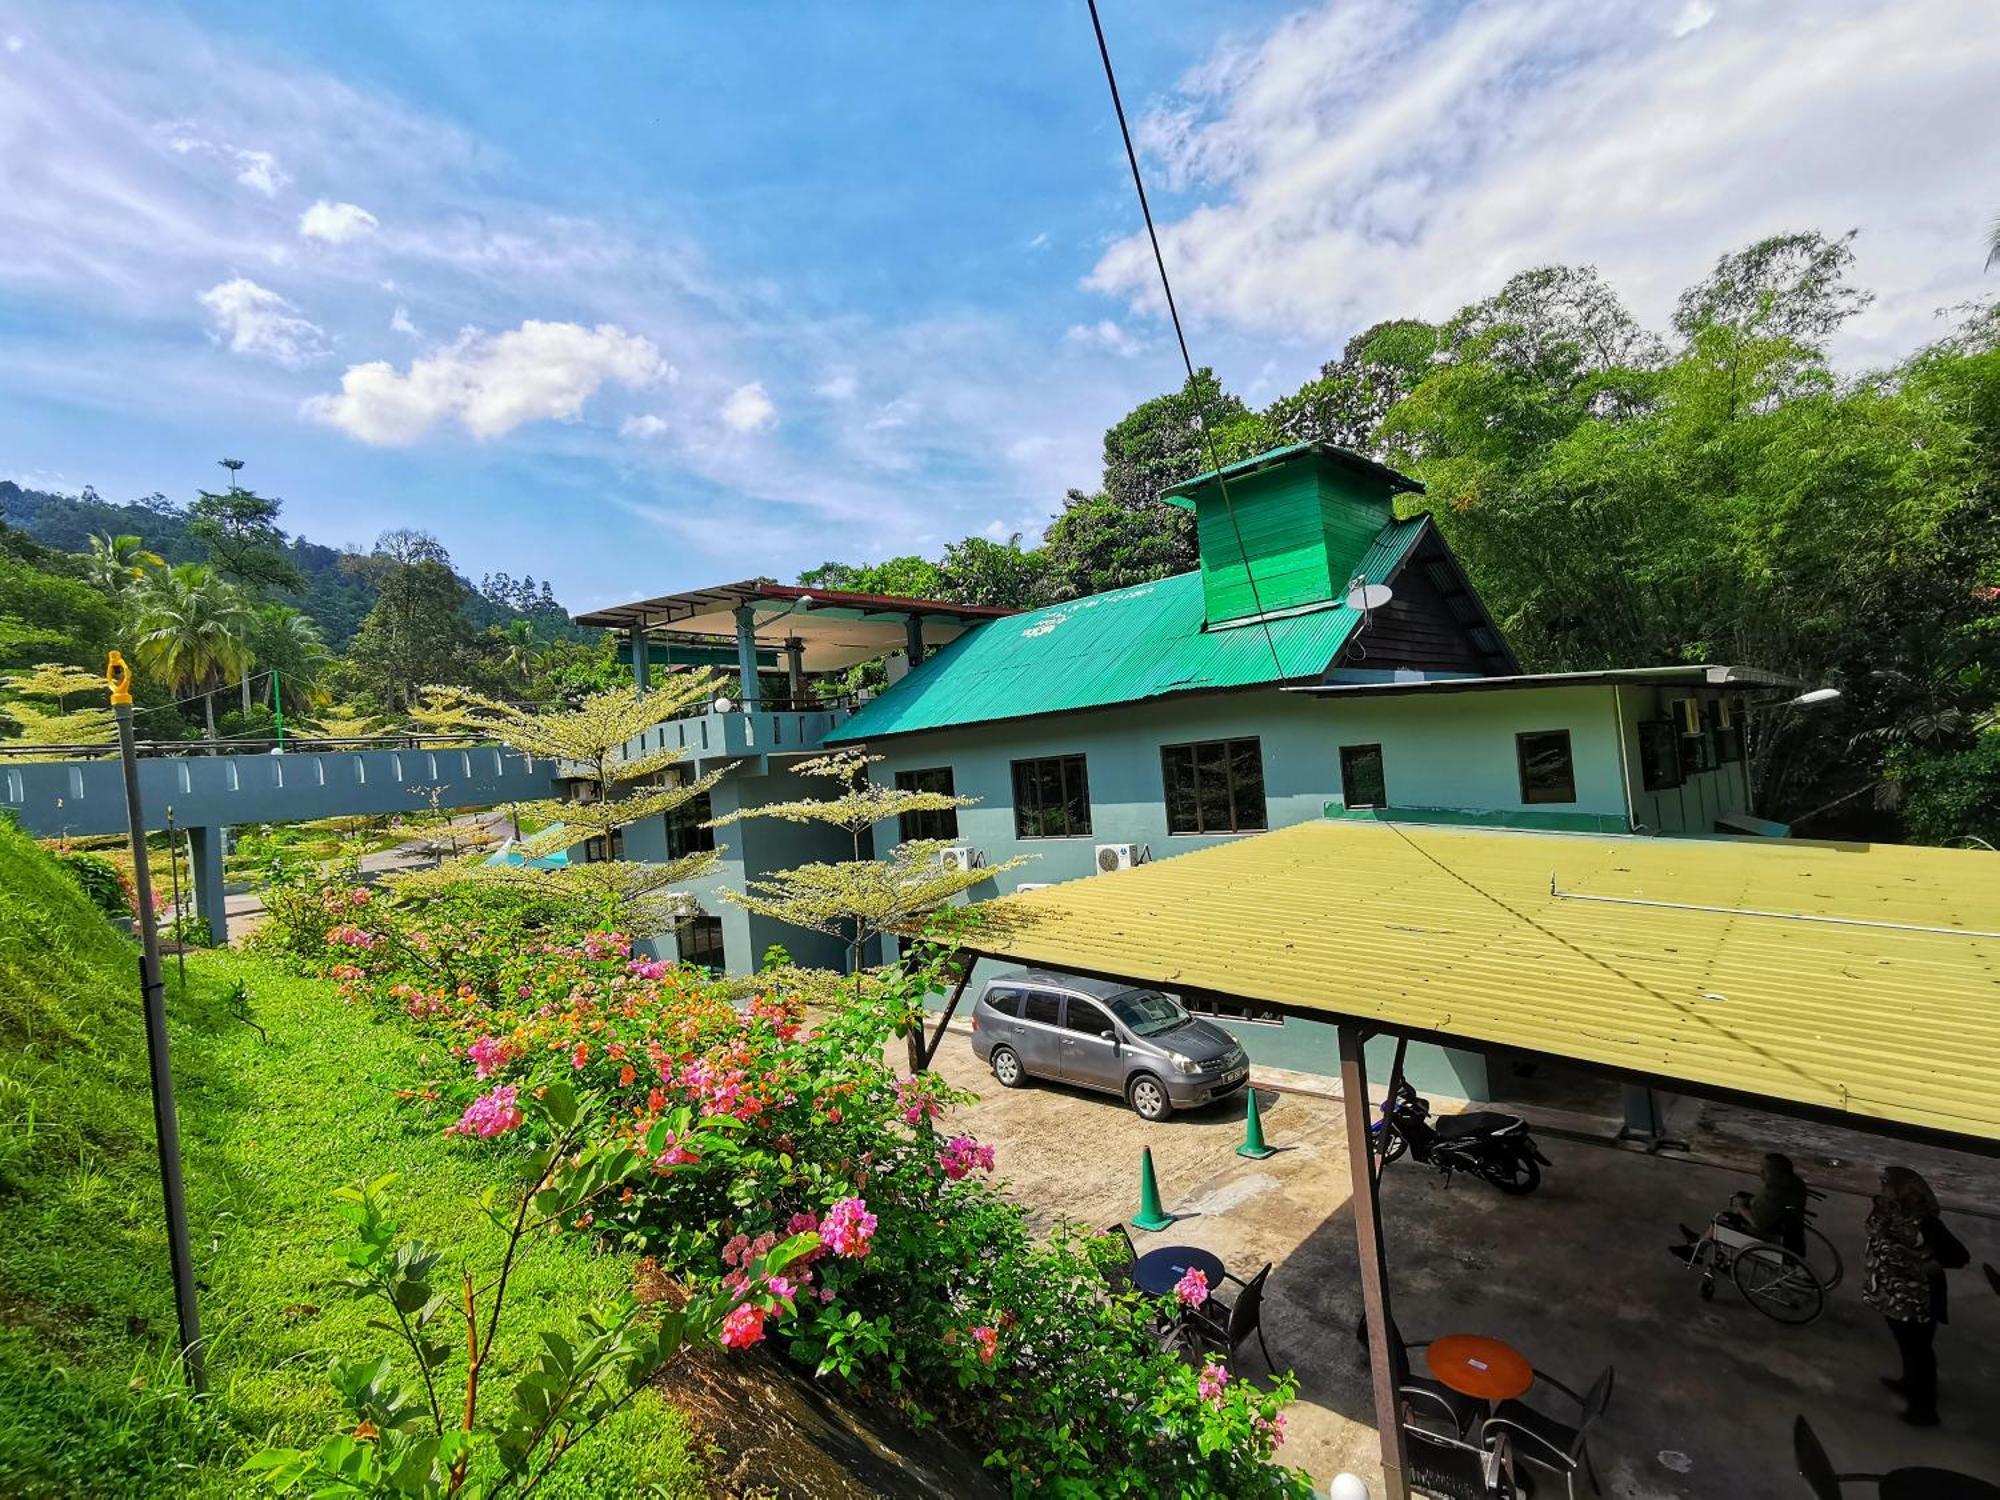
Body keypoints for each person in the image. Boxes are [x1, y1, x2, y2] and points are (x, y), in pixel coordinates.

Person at [1864, 1164, 1968, 1428]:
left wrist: (1928, 1263)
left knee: (1919, 1351)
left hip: (1917, 1298)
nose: (1882, 1188)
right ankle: (1909, 1383)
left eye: (1887, 1185)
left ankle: (1924, 1408)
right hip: (1892, 1294)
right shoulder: (1888, 1210)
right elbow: (1874, 1232)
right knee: (1907, 1346)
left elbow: (1958, 1256)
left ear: (1905, 1191)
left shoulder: (1926, 1222)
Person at [1670, 1152, 1810, 1262]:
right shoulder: (1792, 1183)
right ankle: (1699, 1243)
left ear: (1779, 1174)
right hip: (1778, 1221)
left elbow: (1759, 1223)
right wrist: (1748, 1201)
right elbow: (1765, 1204)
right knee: (1732, 1207)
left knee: (1721, 1218)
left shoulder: (1777, 1193)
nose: (1761, 1173)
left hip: (1766, 1231)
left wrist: (1742, 1208)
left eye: (1766, 1171)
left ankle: (1696, 1250)